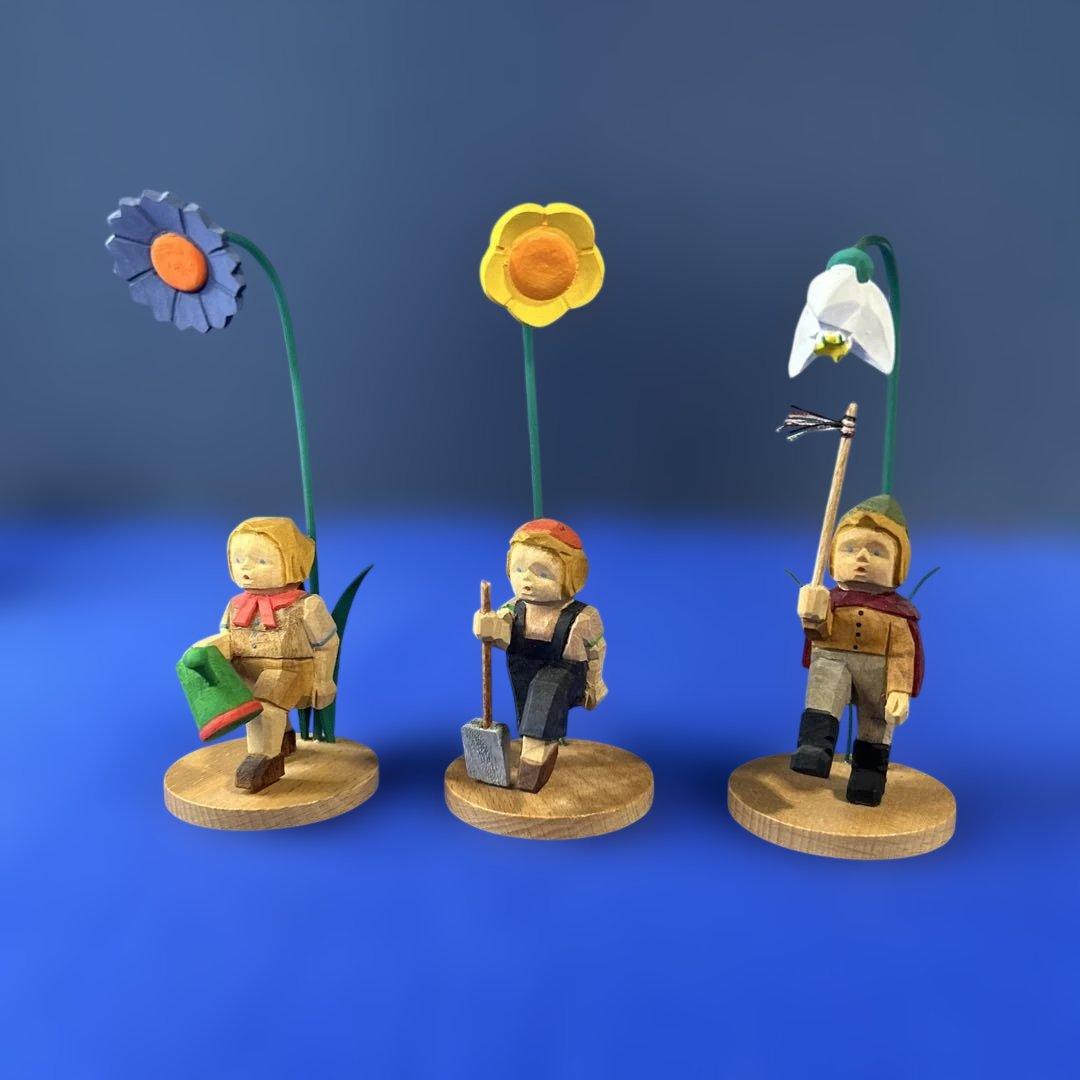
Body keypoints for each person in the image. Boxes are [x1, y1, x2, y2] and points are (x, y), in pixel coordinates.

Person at [792, 495, 924, 806]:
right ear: (832, 557)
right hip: (834, 660)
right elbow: (818, 636)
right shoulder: (831, 600)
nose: (862, 558)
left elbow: (904, 654)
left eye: (877, 551)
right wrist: (812, 615)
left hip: (878, 673)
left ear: (899, 563)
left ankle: (868, 777)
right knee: (824, 684)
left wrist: (899, 689)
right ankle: (814, 748)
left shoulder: (898, 615)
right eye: (850, 549)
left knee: (876, 722)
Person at [191, 516, 339, 793]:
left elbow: (327, 643)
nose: (246, 568)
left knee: (263, 705)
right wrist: (206, 651)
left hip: (292, 672)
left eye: (261, 561)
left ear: (293, 562)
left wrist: (323, 680)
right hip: (247, 670)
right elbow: (228, 637)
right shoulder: (236, 605)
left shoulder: (307, 606)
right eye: (238, 560)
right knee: (251, 698)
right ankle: (281, 739)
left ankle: (264, 758)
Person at [473, 519, 608, 792]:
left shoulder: (583, 617)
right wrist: (487, 627)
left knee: (543, 698)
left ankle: (532, 767)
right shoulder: (513, 608)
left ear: (573, 575)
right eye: (519, 569)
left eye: (542, 573)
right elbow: (501, 634)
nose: (527, 580)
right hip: (523, 670)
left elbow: (596, 651)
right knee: (528, 715)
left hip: (564, 675)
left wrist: (594, 684)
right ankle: (532, 745)